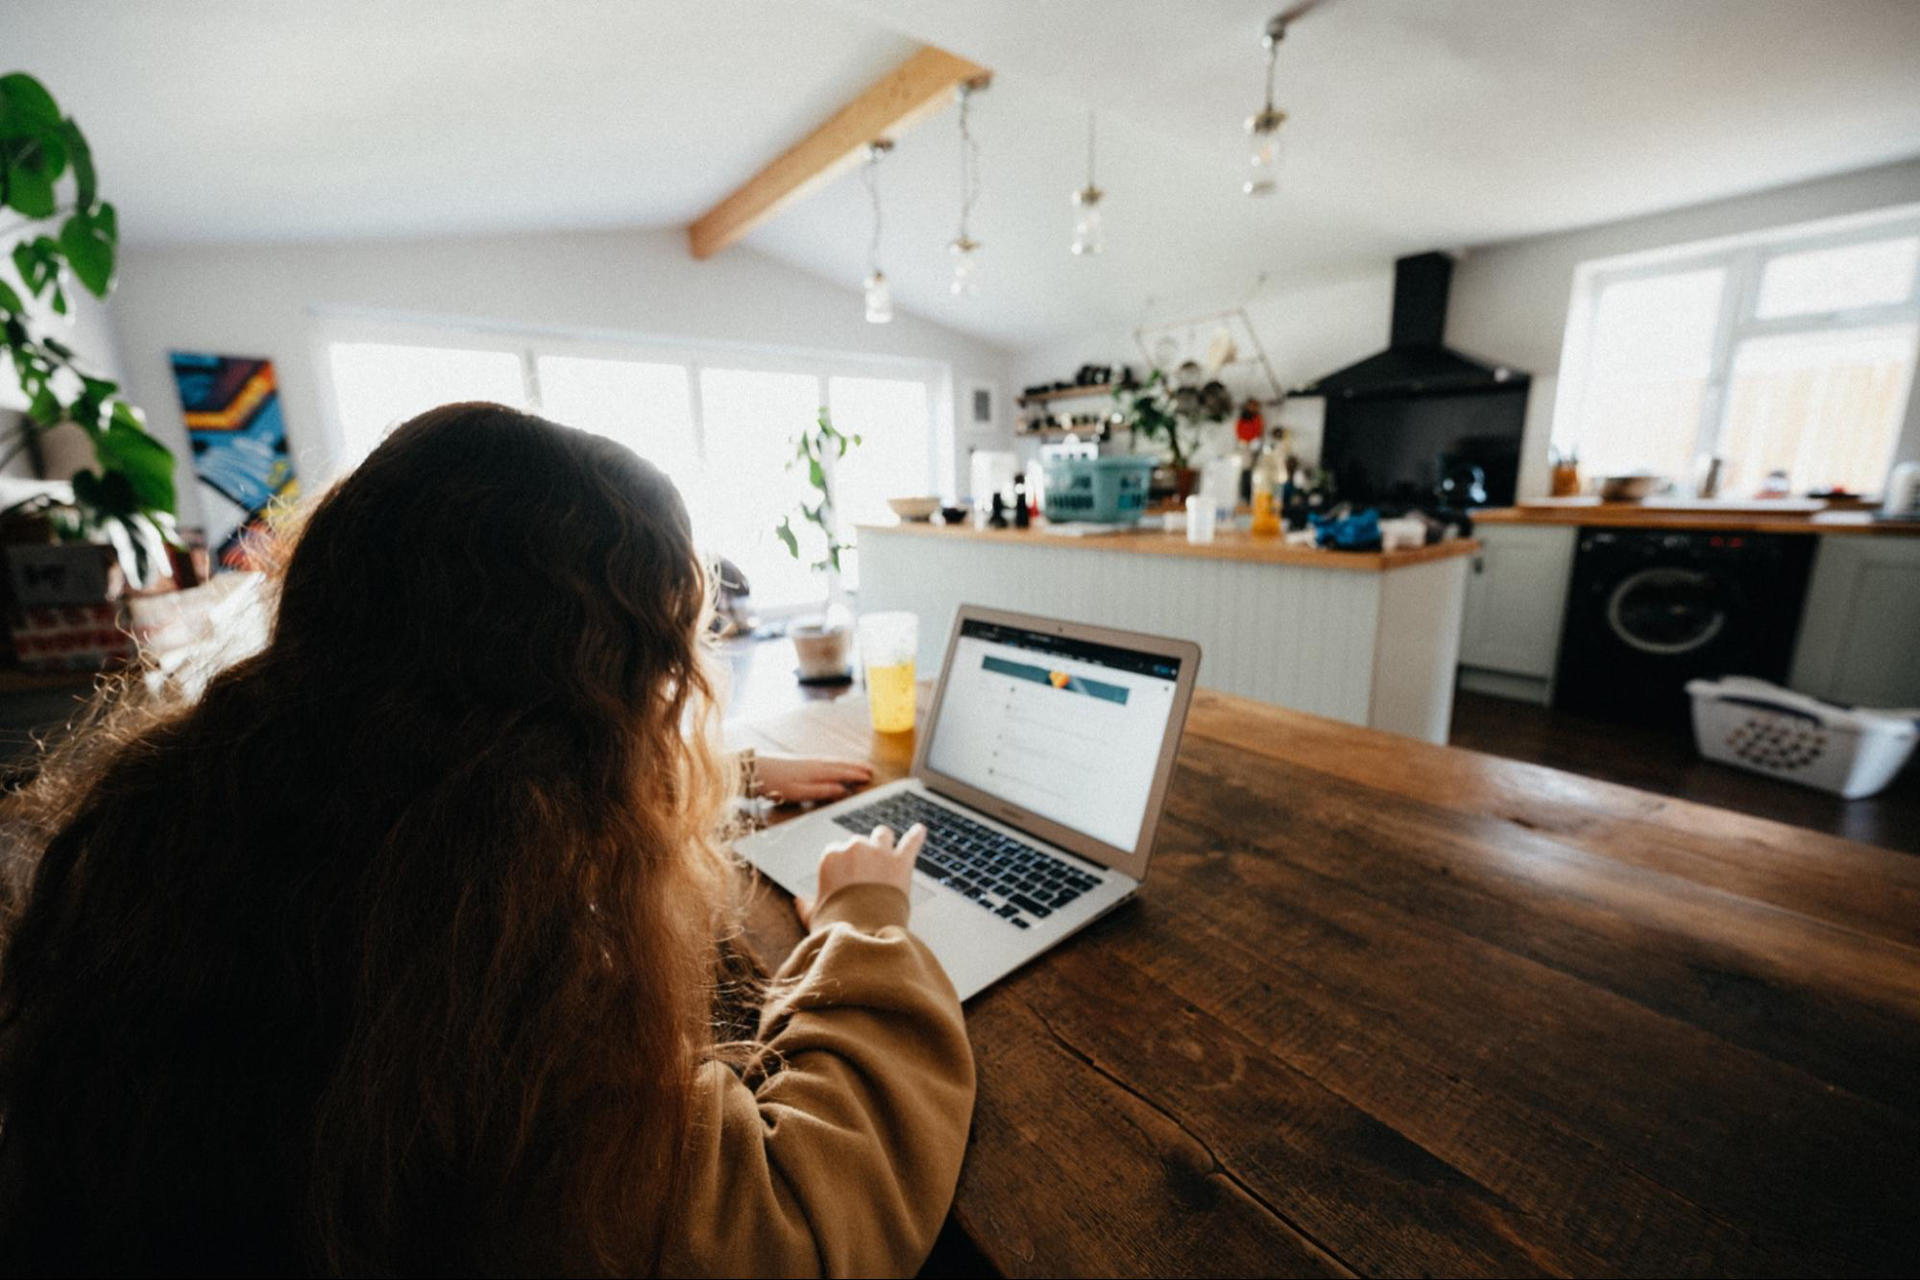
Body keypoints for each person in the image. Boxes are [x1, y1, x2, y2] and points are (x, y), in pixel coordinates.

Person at [0, 403, 974, 1276]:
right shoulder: (488, 988)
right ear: (588, 702)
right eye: (659, 662)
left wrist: (733, 778)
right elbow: (793, 1221)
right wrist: (865, 920)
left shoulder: (197, 819)